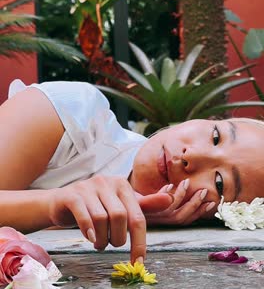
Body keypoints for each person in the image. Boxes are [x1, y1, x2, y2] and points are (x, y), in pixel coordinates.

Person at [0, 79, 263, 263]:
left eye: (219, 183)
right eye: (215, 136)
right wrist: (55, 205)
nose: (191, 156)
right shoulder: (73, 112)